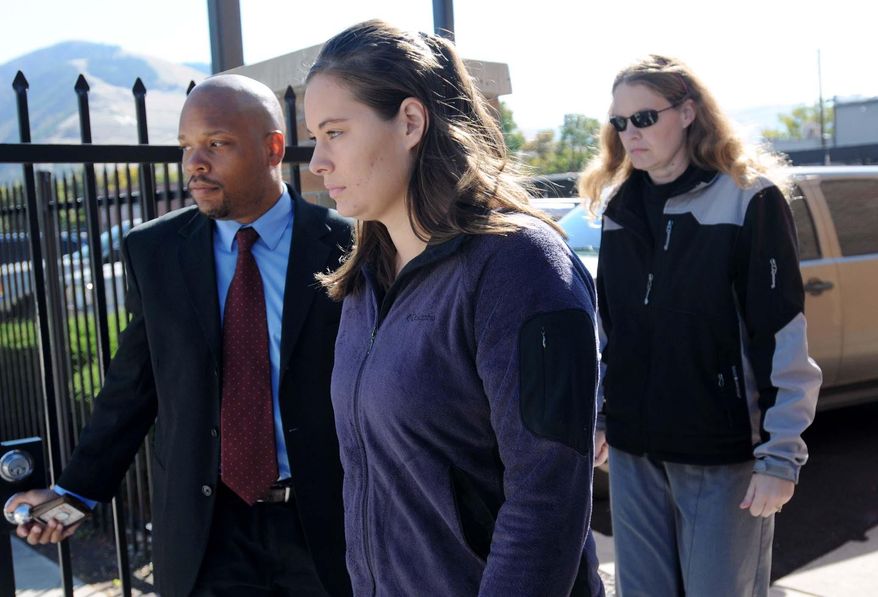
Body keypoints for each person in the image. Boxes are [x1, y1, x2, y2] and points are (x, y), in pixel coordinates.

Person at [4, 74, 352, 597]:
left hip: (329, 524)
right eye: (187, 147)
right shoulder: (155, 251)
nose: (194, 163)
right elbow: (134, 385)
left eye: (216, 144)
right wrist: (76, 492)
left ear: (272, 148)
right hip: (205, 532)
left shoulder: (349, 243)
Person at [303, 20, 605, 597]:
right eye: (315, 136)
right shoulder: (367, 279)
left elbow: (548, 499)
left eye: (335, 132)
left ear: (411, 122)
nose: (317, 160)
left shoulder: (519, 265)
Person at [579, 55, 823, 596]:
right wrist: (602, 417)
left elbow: (781, 334)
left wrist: (781, 457)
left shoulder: (749, 198)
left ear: (688, 111)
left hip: (721, 453)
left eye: (644, 118)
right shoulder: (620, 208)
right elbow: (611, 332)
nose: (630, 134)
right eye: (619, 123)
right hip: (633, 451)